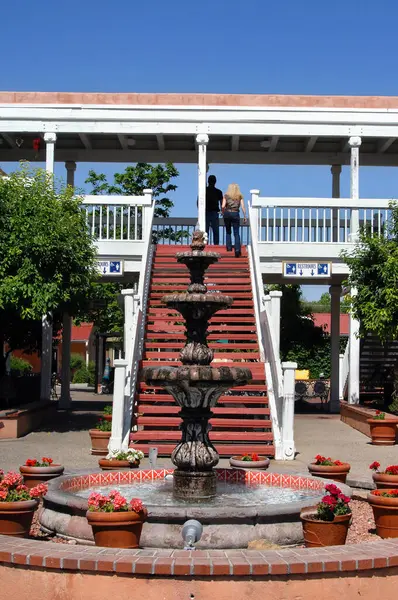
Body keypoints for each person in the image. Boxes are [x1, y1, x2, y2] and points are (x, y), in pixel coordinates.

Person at [222, 183, 247, 257]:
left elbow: (223, 206)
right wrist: (245, 216)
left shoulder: (226, 195)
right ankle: (237, 250)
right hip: (235, 213)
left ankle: (229, 248)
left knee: (228, 231)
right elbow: (243, 207)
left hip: (227, 213)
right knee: (236, 232)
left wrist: (223, 212)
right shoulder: (239, 196)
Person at [205, 175, 223, 244]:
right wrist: (222, 211)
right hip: (215, 213)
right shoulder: (218, 192)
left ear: (208, 181)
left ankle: (205, 244)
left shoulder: (204, 190)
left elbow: (198, 202)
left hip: (206, 212)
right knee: (216, 231)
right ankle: (216, 245)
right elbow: (222, 203)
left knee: (205, 231)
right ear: (215, 182)